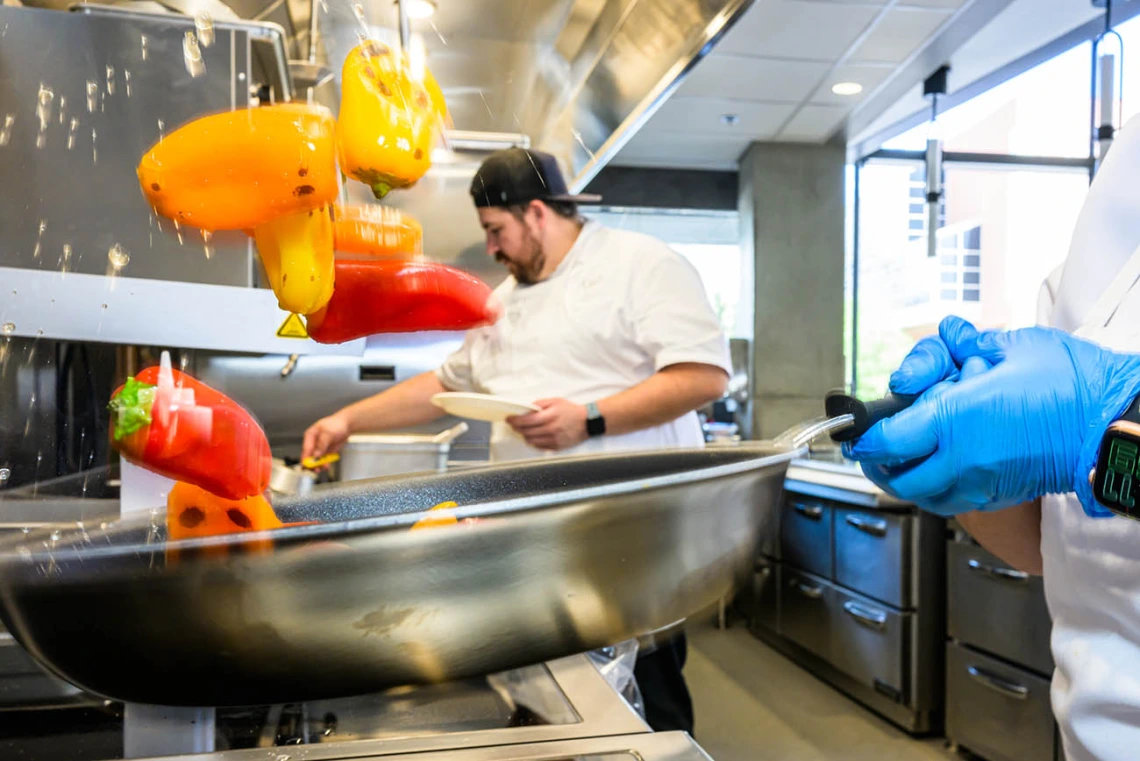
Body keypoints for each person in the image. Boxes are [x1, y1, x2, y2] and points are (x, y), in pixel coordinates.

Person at [302, 147, 732, 734]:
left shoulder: (642, 265)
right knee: (559, 708)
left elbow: (703, 375)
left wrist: (590, 418)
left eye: (495, 230)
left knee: (648, 707)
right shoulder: (502, 302)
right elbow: (445, 385)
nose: (492, 248)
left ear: (536, 213)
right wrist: (348, 420)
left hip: (630, 547)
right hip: (537, 553)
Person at [845, 114, 1140, 761]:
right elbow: (1053, 541)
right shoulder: (1124, 175)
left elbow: (1086, 430)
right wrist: (964, 471)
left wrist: (1106, 419)